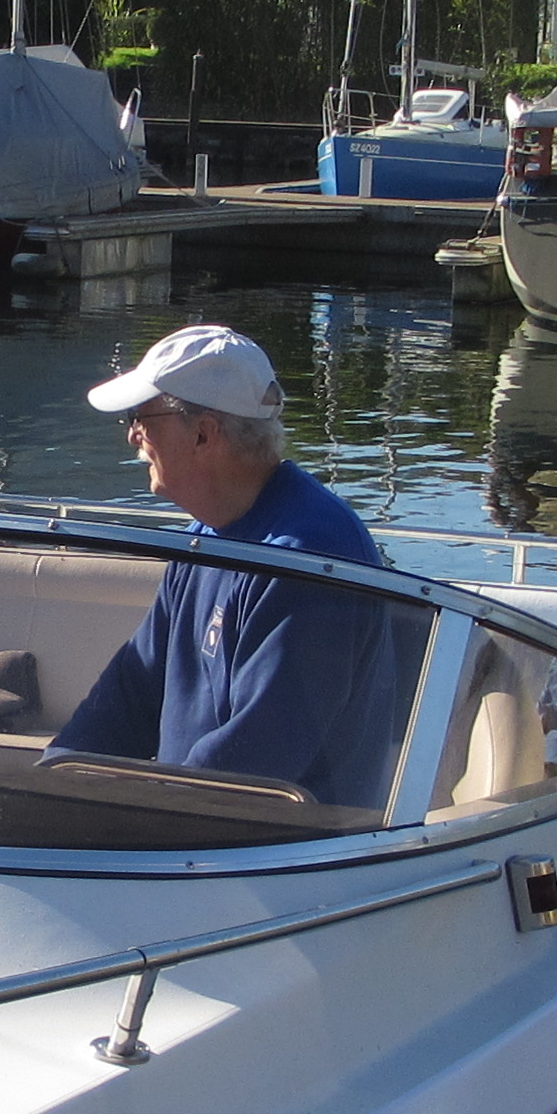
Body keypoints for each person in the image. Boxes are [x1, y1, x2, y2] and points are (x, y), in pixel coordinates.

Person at [46, 326, 408, 808]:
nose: (133, 433)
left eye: (141, 417)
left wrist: (139, 819)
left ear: (203, 433)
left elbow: (253, 766)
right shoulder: (207, 536)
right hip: (200, 836)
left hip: (282, 858)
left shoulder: (309, 558)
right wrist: (50, 782)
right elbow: (128, 696)